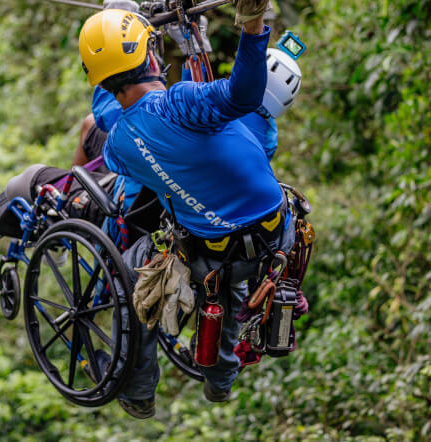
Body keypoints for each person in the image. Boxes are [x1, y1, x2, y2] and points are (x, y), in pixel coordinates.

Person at [77, 1, 295, 419]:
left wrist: (117, 20)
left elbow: (108, 113)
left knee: (130, 276)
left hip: (212, 253)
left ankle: (139, 392)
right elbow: (244, 95)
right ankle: (221, 382)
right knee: (230, 291)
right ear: (148, 55)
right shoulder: (184, 106)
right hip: (273, 238)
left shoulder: (120, 143)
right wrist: (252, 24)